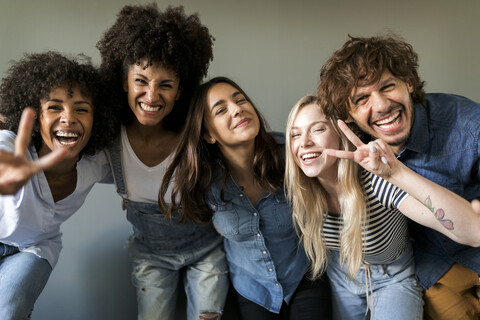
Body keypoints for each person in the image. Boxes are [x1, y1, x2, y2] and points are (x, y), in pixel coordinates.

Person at [317, 34, 480, 320]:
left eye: (387, 86)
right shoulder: (356, 149)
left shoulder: (467, 124)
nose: (380, 106)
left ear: (409, 82)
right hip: (437, 269)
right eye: (362, 99)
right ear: (350, 115)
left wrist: (397, 172)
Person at [285, 95, 480, 320]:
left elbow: (467, 231)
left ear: (341, 134)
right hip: (343, 276)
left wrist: (395, 171)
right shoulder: (300, 190)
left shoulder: (375, 181)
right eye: (295, 134)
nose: (304, 142)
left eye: (317, 130)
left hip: (393, 278)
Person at [96, 4, 228, 320]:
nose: (152, 95)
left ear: (181, 89)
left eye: (165, 84)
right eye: (141, 81)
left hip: (206, 251)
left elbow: (242, 161)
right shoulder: (108, 142)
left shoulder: (198, 134)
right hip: (150, 255)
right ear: (124, 81)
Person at [161, 77, 332, 320]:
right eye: (221, 110)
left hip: (304, 276)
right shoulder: (204, 183)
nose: (237, 108)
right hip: (252, 289)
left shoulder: (291, 153)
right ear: (209, 134)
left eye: (240, 100)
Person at [0, 51, 116, 319]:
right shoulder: (10, 144)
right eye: (54, 107)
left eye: (82, 109)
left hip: (34, 249)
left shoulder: (96, 163)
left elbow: (139, 170)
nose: (68, 117)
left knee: (8, 309)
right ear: (37, 120)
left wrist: (132, 193)